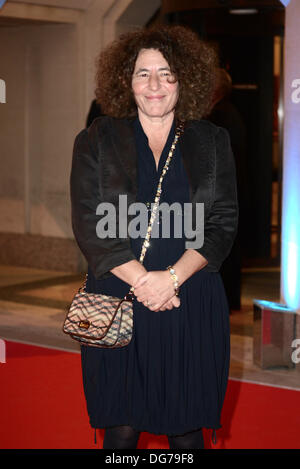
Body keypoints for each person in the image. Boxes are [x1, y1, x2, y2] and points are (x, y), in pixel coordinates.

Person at [70, 25, 238, 449]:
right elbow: (90, 224)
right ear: (126, 81)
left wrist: (172, 280)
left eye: (166, 72)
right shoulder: (96, 139)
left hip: (190, 299)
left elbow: (221, 223)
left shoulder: (213, 141)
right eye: (143, 73)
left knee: (186, 431)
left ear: (185, 79)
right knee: (121, 430)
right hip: (119, 298)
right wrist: (147, 283)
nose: (155, 85)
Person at [207, 68, 247, 311]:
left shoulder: (220, 117)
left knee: (224, 251)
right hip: (231, 191)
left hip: (223, 193)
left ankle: (225, 299)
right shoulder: (228, 113)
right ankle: (228, 299)